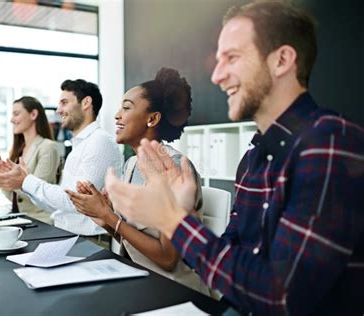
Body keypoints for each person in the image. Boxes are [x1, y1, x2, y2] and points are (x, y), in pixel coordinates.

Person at [104, 2, 364, 315]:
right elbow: (233, 256)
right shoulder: (253, 158)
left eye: (232, 58)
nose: (216, 76)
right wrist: (180, 214)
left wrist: (173, 220)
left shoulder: (330, 142)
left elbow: (282, 298)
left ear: (282, 60)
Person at [66, 68, 206, 292]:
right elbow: (131, 237)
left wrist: (110, 217)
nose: (117, 115)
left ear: (152, 118)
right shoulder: (131, 165)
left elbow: (168, 258)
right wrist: (102, 213)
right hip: (138, 279)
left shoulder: (175, 168)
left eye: (127, 107)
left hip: (174, 290)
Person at [0, 79, 122, 242]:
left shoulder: (99, 141)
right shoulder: (81, 145)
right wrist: (24, 184)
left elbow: (73, 200)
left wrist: (26, 181)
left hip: (90, 240)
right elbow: (57, 204)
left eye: (64, 103)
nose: (58, 110)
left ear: (86, 102)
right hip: (71, 237)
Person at [0, 96, 60, 223]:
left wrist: (7, 176)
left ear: (33, 114)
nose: (11, 120)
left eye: (16, 114)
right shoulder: (19, 150)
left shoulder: (48, 147)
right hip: (19, 218)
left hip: (40, 221)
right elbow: (14, 198)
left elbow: (39, 193)